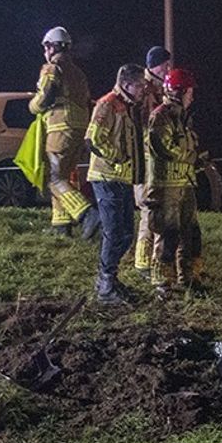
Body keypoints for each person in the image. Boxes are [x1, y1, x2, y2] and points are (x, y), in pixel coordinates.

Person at [86, 64, 147, 304]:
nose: (143, 89)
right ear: (126, 84)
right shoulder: (108, 104)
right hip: (106, 177)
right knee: (114, 232)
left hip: (122, 179)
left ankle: (110, 279)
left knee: (125, 234)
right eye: (139, 85)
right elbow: (93, 139)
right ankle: (105, 285)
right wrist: (117, 157)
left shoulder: (129, 108)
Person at [30, 26, 99, 237]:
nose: (45, 52)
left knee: (54, 178)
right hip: (79, 128)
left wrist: (33, 106)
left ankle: (87, 213)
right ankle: (61, 225)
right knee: (64, 175)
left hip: (60, 128)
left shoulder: (52, 68)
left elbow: (46, 96)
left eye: (46, 47)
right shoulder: (78, 73)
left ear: (52, 47)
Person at [144, 67, 205, 297]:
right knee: (167, 234)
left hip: (185, 184)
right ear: (178, 91)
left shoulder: (184, 118)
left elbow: (187, 146)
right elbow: (164, 148)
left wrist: (197, 159)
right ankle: (162, 281)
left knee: (191, 233)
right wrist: (191, 156)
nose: (192, 96)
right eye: (189, 91)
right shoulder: (161, 116)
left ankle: (189, 277)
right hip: (165, 186)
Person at [134, 46, 172, 278]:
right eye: (165, 65)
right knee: (148, 210)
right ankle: (142, 262)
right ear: (154, 65)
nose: (168, 69)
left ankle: (153, 261)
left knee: (156, 210)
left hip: (155, 157)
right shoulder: (146, 90)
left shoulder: (158, 88)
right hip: (146, 158)